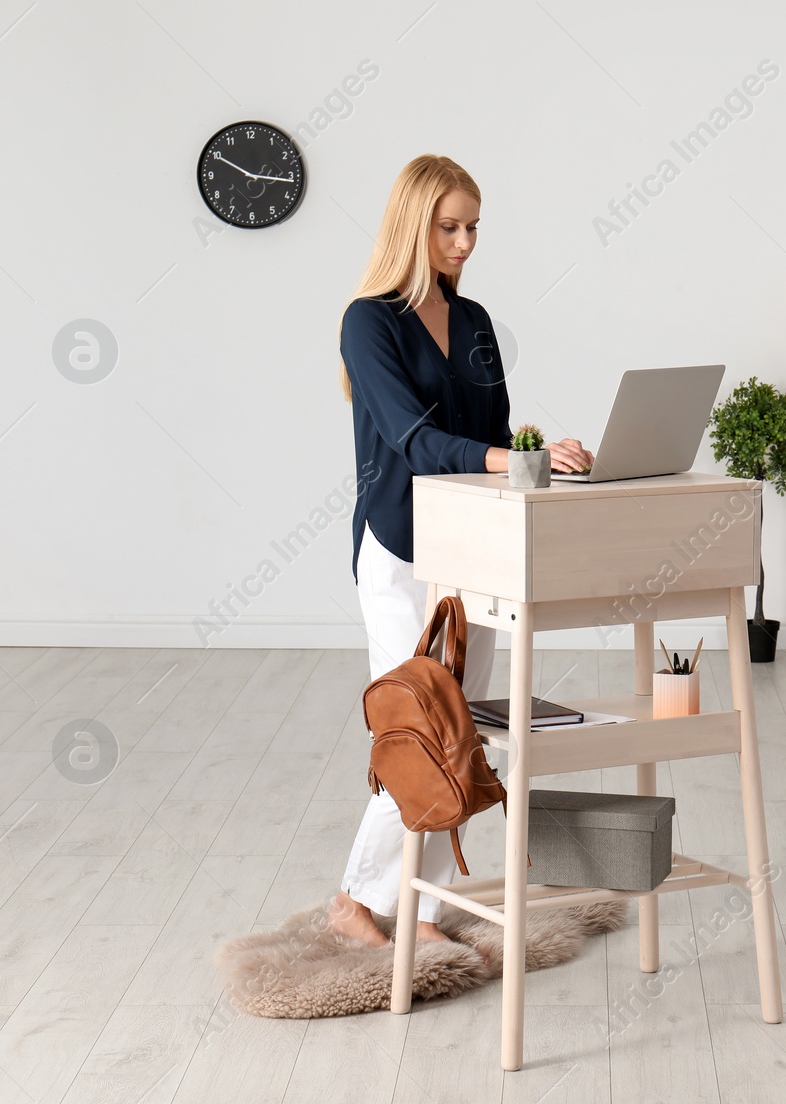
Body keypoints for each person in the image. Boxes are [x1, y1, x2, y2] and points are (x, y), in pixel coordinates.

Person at [329, 155, 592, 947]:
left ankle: (424, 908)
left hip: (474, 548)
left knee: (465, 732)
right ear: (415, 225)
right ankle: (354, 902)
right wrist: (501, 461)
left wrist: (543, 450)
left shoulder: (475, 322)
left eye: (474, 226)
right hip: (402, 547)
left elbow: (491, 438)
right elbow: (412, 440)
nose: (466, 241)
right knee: (419, 726)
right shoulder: (367, 321)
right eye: (450, 227)